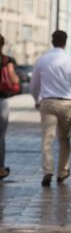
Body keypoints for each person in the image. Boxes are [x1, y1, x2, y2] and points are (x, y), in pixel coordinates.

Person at [30, 30, 71, 187]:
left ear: (52, 41)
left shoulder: (42, 59)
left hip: (48, 102)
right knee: (64, 138)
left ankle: (48, 171)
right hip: (67, 103)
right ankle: (62, 172)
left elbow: (34, 84)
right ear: (65, 42)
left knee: (47, 138)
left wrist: (37, 99)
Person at [0, 35, 20, 181]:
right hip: (1, 100)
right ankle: (0, 169)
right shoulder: (7, 60)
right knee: (0, 136)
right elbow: (14, 79)